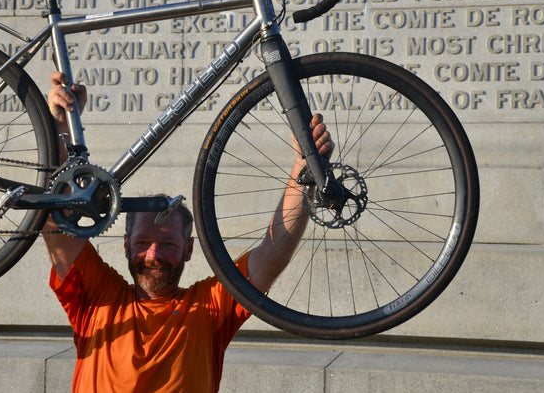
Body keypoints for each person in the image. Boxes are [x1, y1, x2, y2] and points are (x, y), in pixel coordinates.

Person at [44, 71, 333, 392]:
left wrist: (303, 169)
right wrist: (59, 128)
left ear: (189, 248)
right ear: (126, 245)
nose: (153, 254)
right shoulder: (99, 298)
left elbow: (272, 253)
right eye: (143, 242)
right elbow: (56, 224)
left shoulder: (208, 307)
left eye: (166, 243)